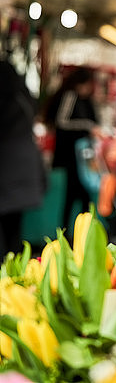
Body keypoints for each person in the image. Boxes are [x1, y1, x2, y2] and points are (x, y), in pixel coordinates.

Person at [0, 60, 47, 256]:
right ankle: (13, 274)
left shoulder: (4, 102)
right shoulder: (24, 98)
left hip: (6, 169)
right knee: (14, 227)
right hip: (25, 169)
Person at [44, 66, 99, 231]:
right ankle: (73, 232)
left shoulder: (83, 99)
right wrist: (88, 127)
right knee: (76, 194)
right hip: (72, 156)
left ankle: (75, 232)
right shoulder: (70, 96)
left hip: (79, 156)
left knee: (78, 194)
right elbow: (62, 121)